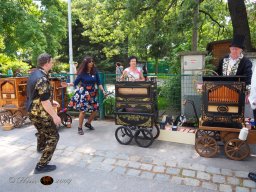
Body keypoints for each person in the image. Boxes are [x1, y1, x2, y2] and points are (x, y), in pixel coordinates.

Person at [26, 53, 61, 174]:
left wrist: (52, 101)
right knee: (54, 136)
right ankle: (41, 165)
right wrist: (55, 116)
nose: (52, 63)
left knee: (41, 131)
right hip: (41, 113)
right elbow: (45, 101)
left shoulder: (34, 74)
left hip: (32, 111)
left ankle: (40, 147)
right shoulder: (42, 78)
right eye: (51, 61)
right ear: (46, 63)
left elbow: (36, 94)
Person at [67, 56, 106, 135]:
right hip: (84, 93)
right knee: (83, 111)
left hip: (92, 93)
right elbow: (75, 83)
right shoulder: (82, 73)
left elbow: (99, 83)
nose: (91, 63)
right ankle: (80, 127)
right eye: (90, 62)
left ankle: (88, 123)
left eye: (92, 61)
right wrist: (67, 84)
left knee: (95, 109)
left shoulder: (95, 71)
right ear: (86, 63)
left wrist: (103, 91)